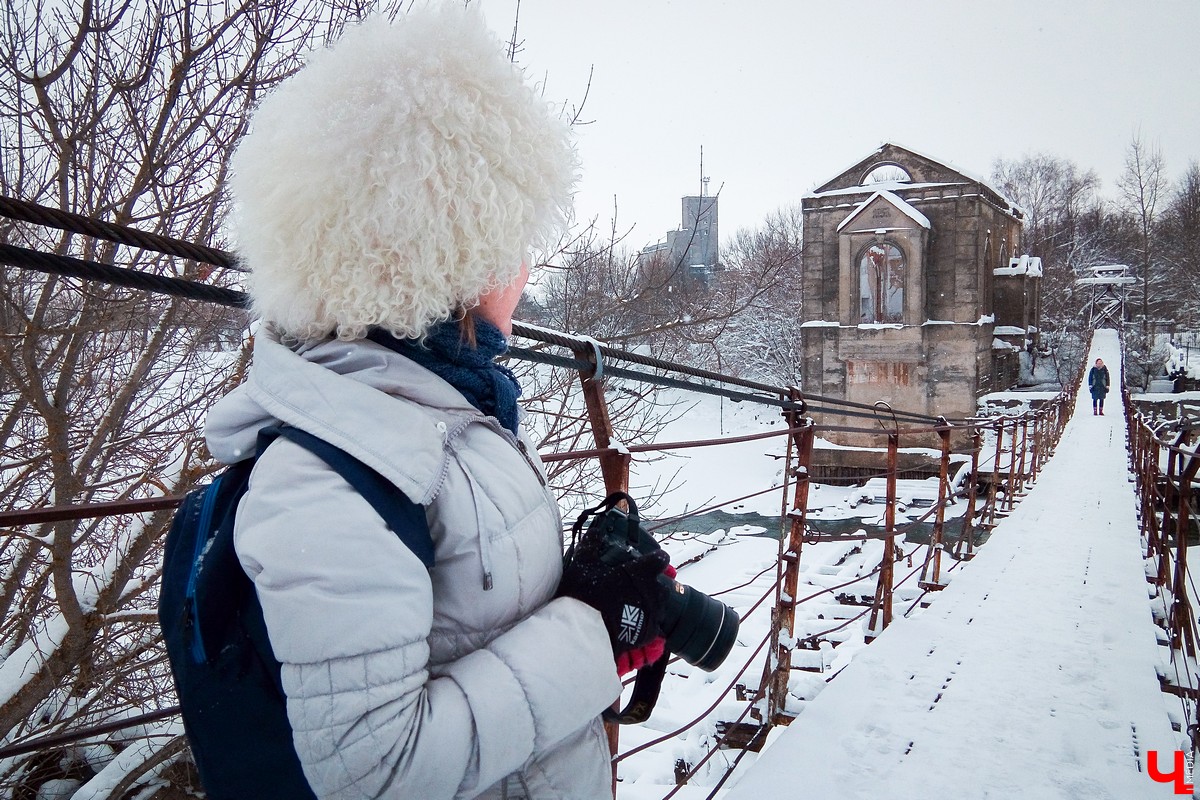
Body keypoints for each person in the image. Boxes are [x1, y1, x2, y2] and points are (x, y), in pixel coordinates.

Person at [204, 6, 669, 798]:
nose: (526, 270)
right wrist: (590, 630)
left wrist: (583, 591)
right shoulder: (324, 480)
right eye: (513, 241)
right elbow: (379, 774)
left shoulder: (444, 415)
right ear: (451, 255)